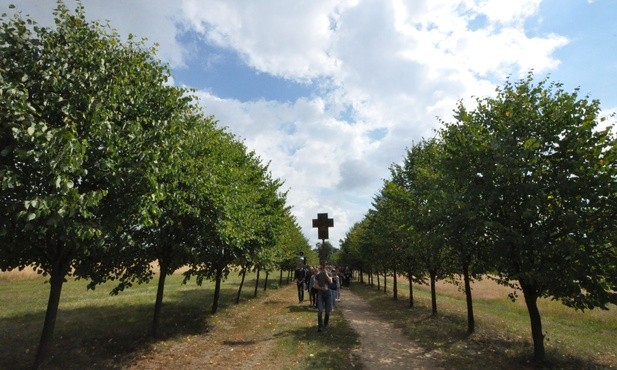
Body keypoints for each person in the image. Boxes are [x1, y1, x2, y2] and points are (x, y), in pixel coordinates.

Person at [314, 260, 333, 332]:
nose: (324, 266)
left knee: (327, 311)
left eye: (326, 265)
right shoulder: (318, 275)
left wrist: (326, 274)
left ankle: (325, 323)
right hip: (320, 294)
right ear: (321, 266)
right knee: (320, 310)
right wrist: (321, 288)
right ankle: (320, 326)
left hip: (328, 294)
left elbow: (330, 282)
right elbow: (315, 285)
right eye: (323, 265)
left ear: (327, 266)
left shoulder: (330, 273)